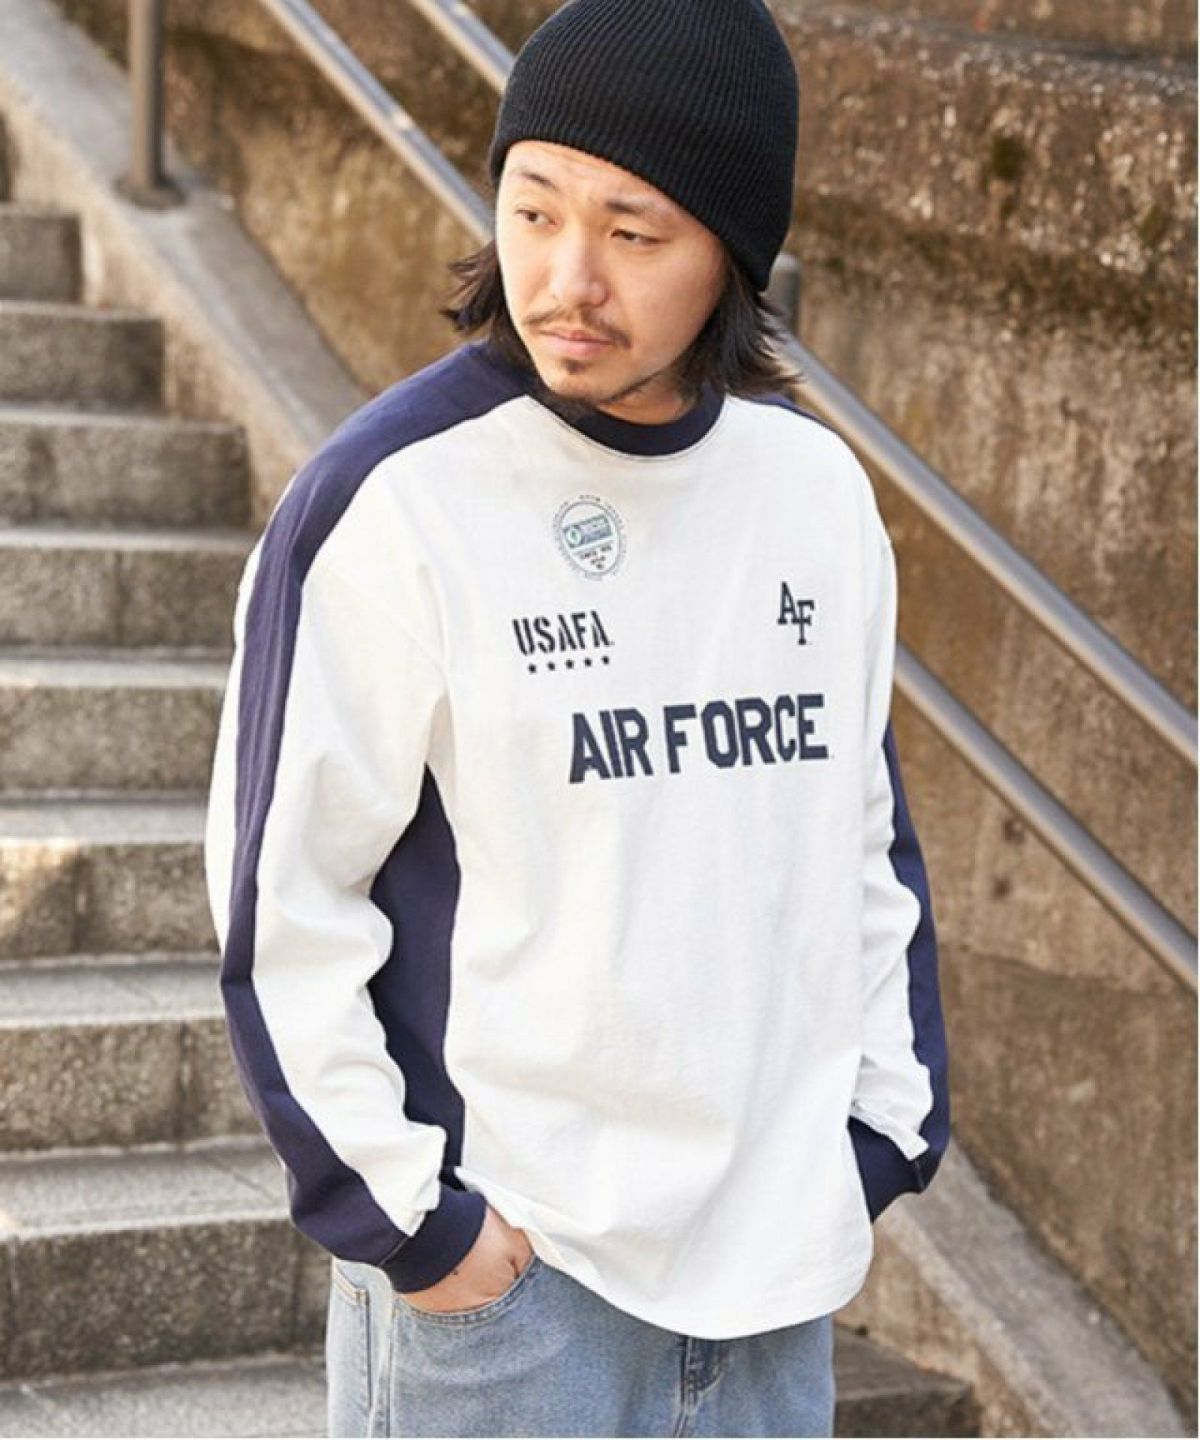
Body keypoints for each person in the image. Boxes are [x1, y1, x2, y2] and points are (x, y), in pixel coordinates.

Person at [203, 0, 952, 1434]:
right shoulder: (397, 500)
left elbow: (862, 848)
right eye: (535, 208)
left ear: (732, 251)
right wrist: (421, 1231)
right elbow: (281, 901)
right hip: (516, 1297)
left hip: (774, 1279)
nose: (568, 278)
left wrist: (879, 1135)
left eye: (634, 231)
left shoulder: (812, 495)